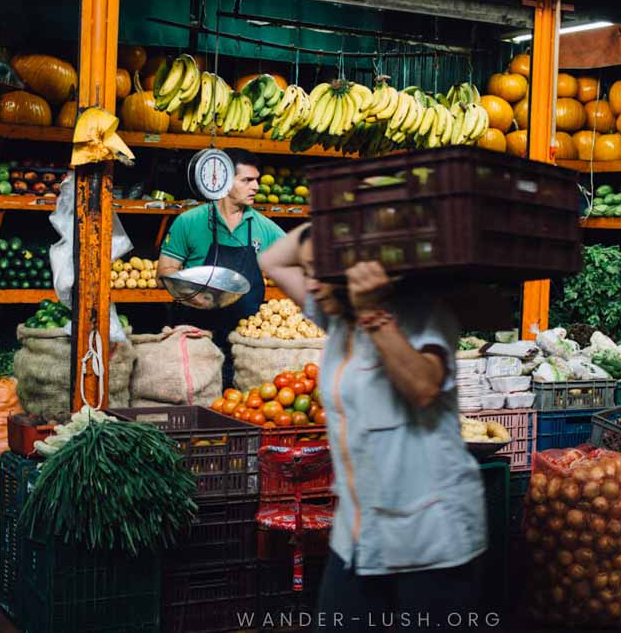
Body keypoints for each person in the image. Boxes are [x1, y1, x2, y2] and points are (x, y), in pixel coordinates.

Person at [260, 224, 487, 632]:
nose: (309, 283)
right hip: (360, 536)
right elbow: (271, 259)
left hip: (429, 538)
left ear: (354, 270)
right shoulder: (337, 321)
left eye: (319, 270)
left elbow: (422, 387)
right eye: (307, 269)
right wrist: (329, 221)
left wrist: (371, 309)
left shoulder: (420, 315)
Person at [157, 148, 285, 387]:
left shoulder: (265, 227)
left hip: (244, 344)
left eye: (257, 180)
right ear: (224, 179)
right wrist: (188, 294)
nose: (256, 187)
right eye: (247, 180)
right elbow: (164, 273)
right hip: (197, 338)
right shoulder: (190, 221)